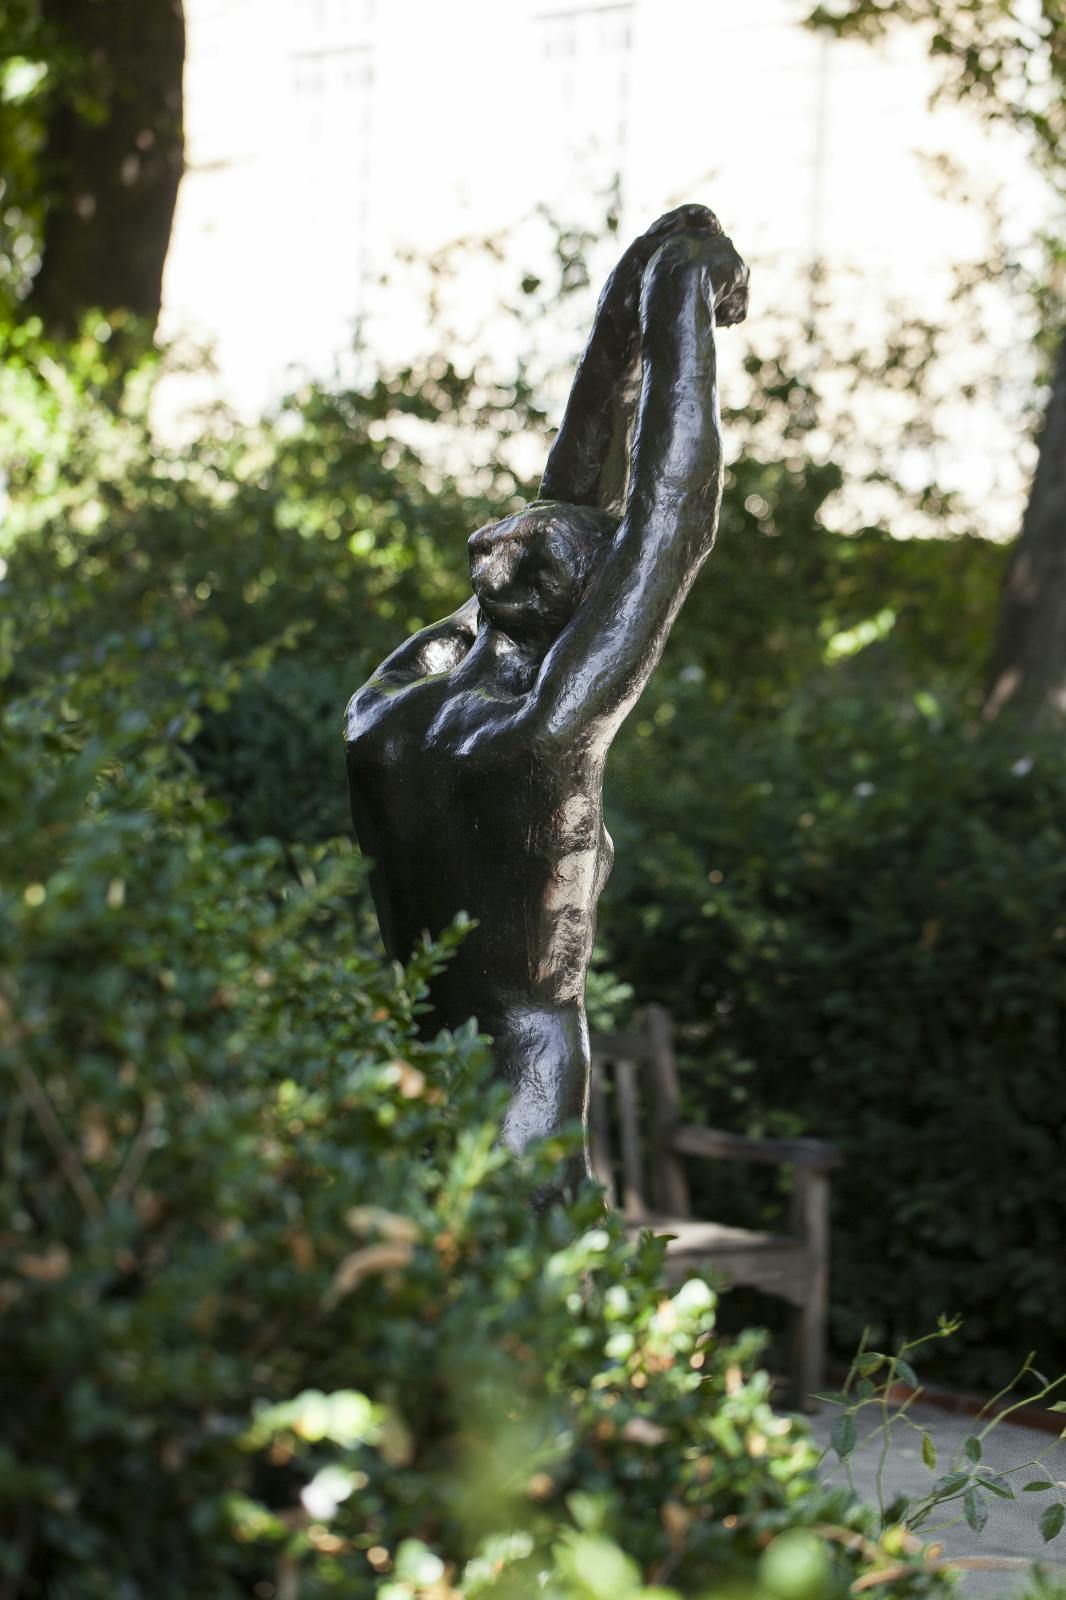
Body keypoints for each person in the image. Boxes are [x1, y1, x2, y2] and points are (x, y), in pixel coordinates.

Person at [345, 204, 749, 1199]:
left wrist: (641, 279)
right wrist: (677, 282)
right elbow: (672, 505)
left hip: (417, 1065)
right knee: (515, 1324)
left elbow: (572, 501)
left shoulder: (385, 714)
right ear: (577, 611)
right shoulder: (540, 736)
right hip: (518, 1087)